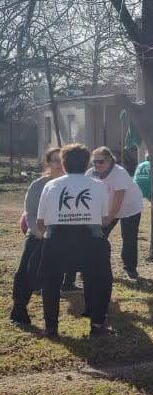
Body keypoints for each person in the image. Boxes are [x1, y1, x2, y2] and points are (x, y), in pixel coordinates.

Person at [35, 144, 114, 338]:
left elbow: (40, 222)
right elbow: (104, 220)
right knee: (101, 281)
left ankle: (51, 327)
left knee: (50, 282)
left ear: (63, 163)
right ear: (87, 162)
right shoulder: (98, 185)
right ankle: (97, 325)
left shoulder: (51, 185)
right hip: (91, 241)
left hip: (56, 240)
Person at [9, 148, 62, 327]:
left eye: (62, 160)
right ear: (49, 163)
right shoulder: (38, 184)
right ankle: (19, 310)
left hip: (62, 237)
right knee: (25, 271)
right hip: (38, 234)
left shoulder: (71, 184)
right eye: (55, 160)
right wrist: (40, 233)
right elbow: (30, 213)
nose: (60, 163)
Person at [88, 147, 144, 280]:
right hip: (108, 208)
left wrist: (109, 218)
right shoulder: (91, 173)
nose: (97, 165)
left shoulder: (119, 173)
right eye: (94, 162)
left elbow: (119, 199)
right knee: (98, 236)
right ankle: (95, 265)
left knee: (129, 237)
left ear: (110, 161)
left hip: (130, 208)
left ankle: (130, 268)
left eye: (100, 162)